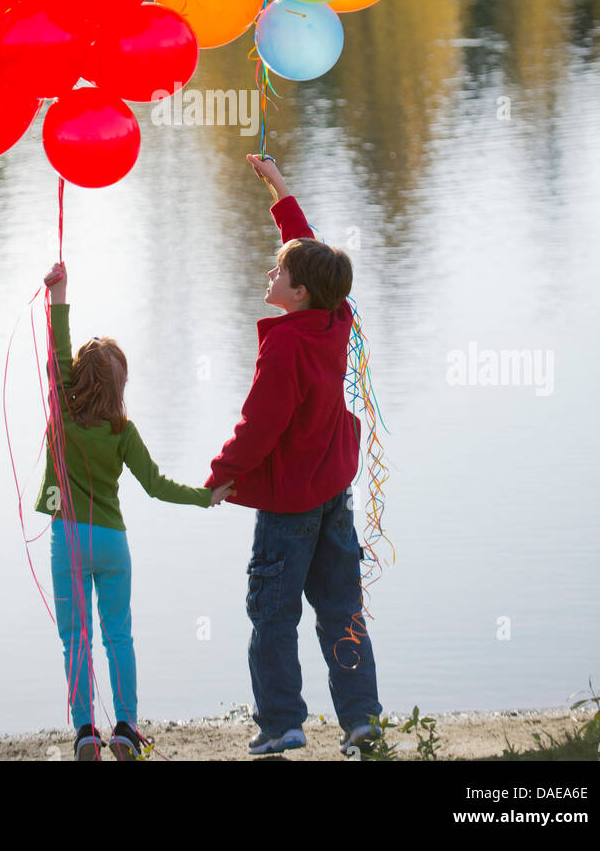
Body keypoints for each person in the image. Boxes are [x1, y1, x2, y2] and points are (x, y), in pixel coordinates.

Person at [204, 154, 383, 758]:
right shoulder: (334, 318)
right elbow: (316, 255)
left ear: (298, 292)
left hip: (289, 505)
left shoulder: (283, 349)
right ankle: (361, 721)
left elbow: (260, 425)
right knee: (341, 609)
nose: (273, 271)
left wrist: (221, 476)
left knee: (273, 616)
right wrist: (279, 189)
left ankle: (282, 723)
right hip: (334, 493)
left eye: (280, 271)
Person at [35, 260, 233, 761]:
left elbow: (57, 351)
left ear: (77, 375)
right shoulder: (124, 431)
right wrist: (206, 495)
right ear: (121, 386)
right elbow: (157, 486)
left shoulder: (63, 405)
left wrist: (60, 295)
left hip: (70, 540)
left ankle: (85, 733)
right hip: (113, 542)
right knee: (117, 633)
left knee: (74, 637)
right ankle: (124, 728)